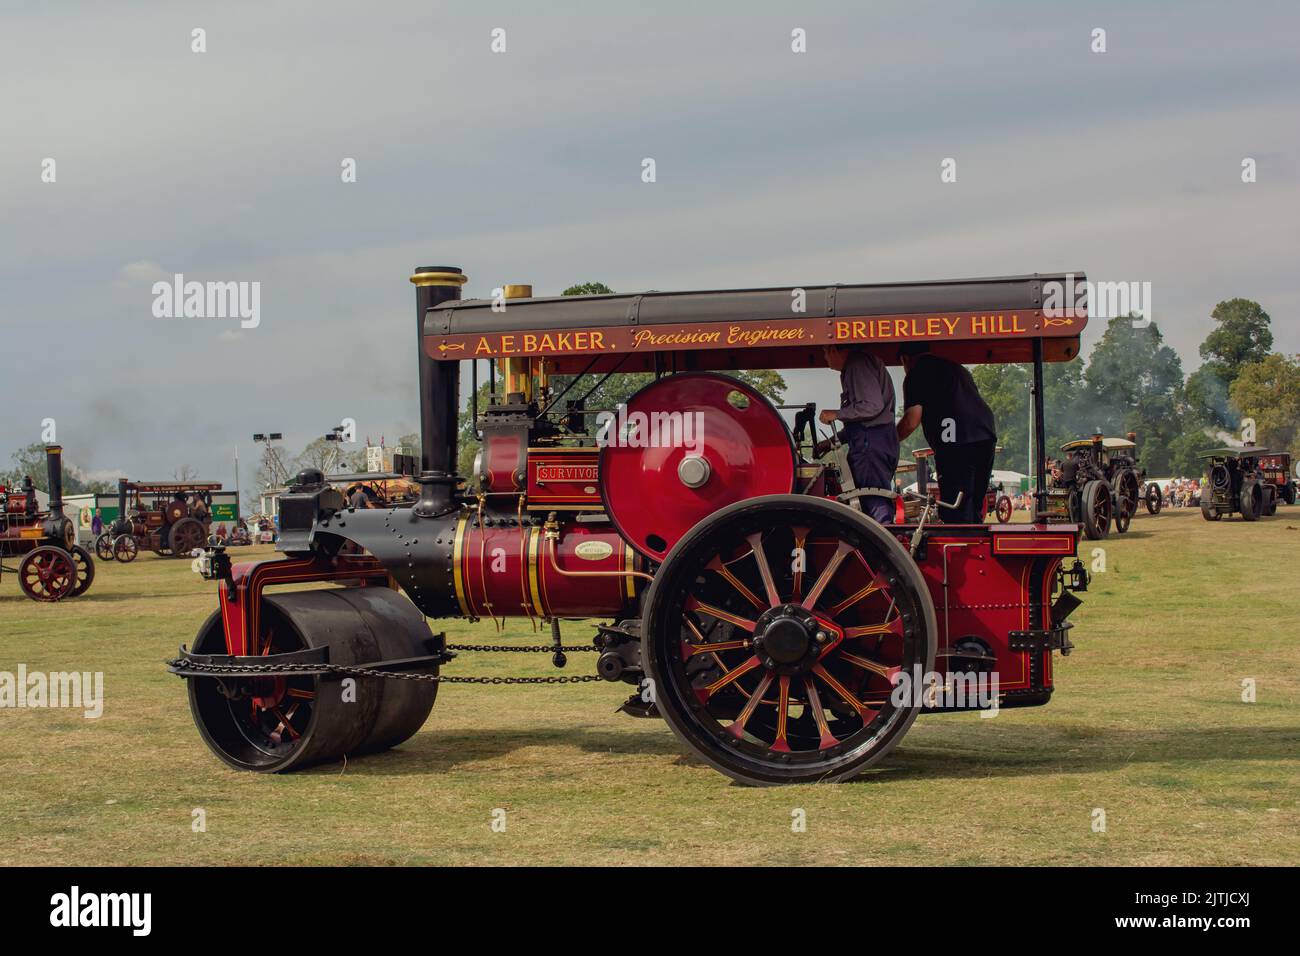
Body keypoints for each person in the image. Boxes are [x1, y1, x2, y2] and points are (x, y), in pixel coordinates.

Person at [896, 343, 997, 524]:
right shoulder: (956, 368)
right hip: (985, 435)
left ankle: (959, 546)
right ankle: (974, 539)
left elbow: (911, 420)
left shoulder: (916, 373)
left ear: (905, 359)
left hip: (956, 442)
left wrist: (890, 439)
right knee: (973, 503)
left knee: (955, 506)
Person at [820, 345, 899, 523]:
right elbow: (859, 422)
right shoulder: (860, 364)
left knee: (872, 496)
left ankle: (883, 544)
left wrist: (837, 414)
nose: (825, 358)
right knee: (870, 498)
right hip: (876, 440)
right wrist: (832, 441)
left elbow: (871, 406)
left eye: (825, 352)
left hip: (870, 444)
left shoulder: (857, 364)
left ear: (833, 350)